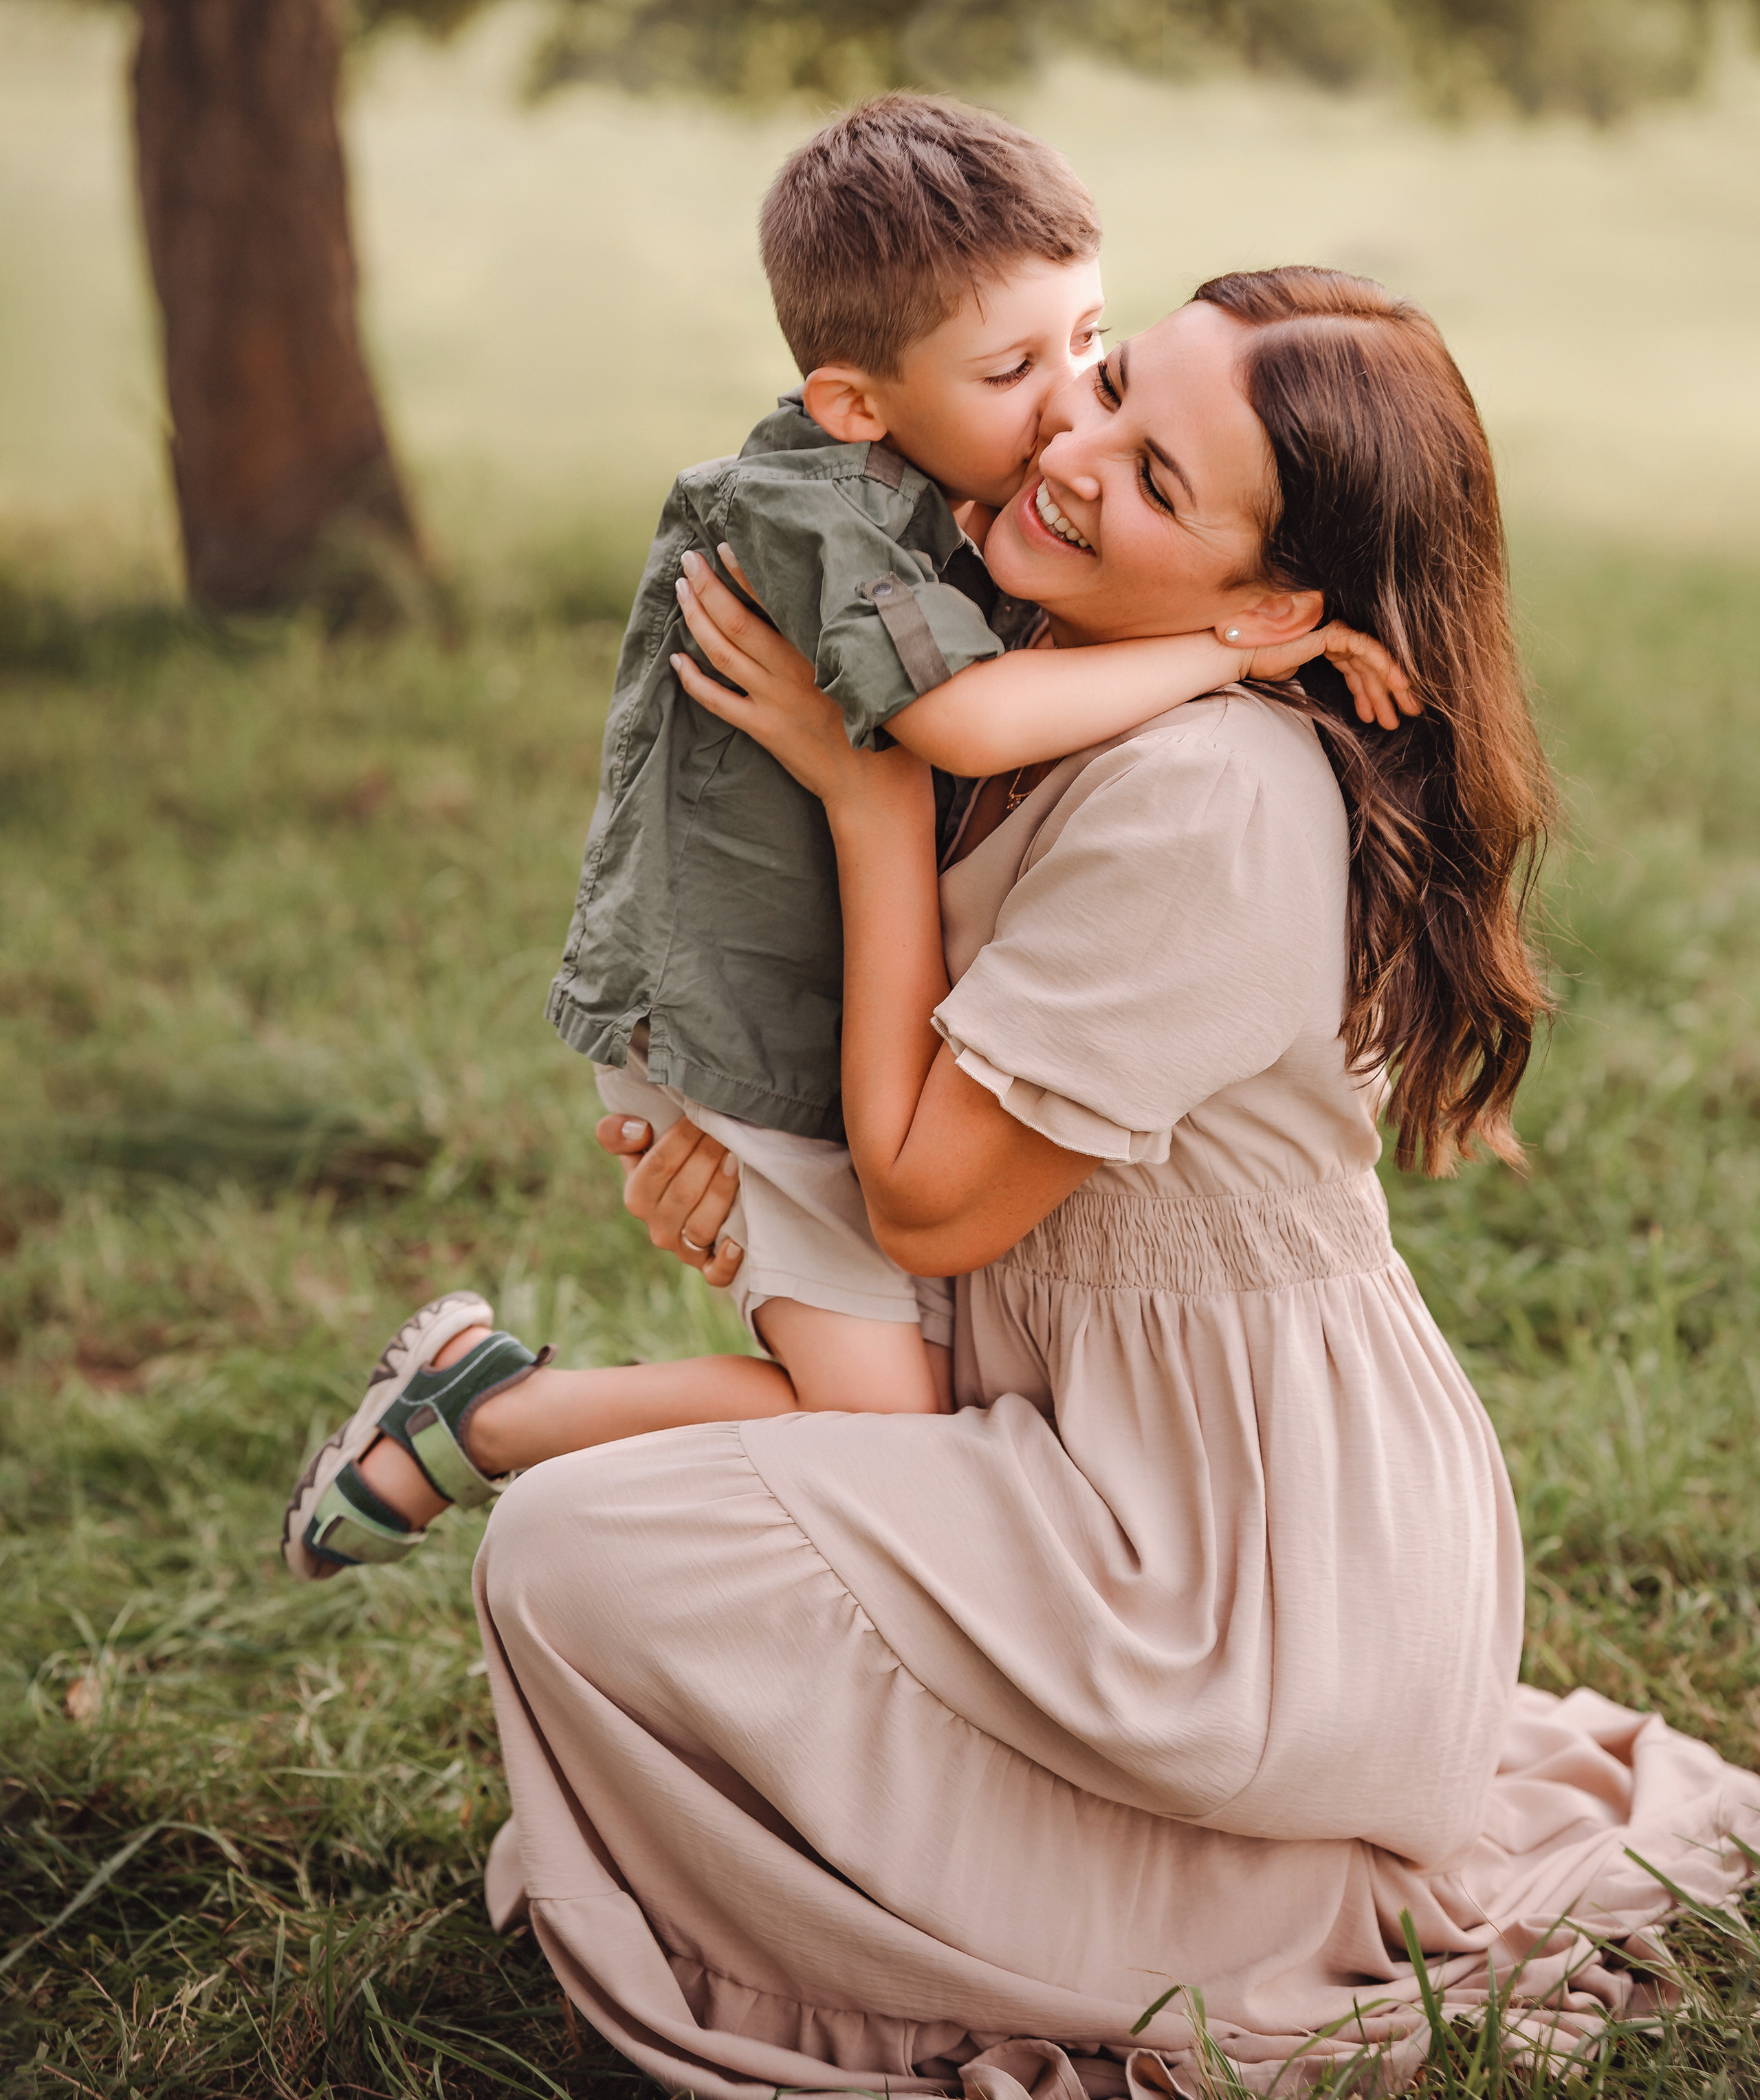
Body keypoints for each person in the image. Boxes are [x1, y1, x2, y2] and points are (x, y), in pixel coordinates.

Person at [462, 269, 1760, 2092]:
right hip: (1054, 1435)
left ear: (1274, 605)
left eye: (1157, 479)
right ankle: (1096, 1866)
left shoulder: (1209, 799)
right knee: (605, 1567)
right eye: (1112, 388)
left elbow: (923, 1202)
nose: (1072, 451)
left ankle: (1226, 1904)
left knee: (578, 1554)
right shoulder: (1029, 667)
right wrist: (744, 1204)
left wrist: (859, 799)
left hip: (1226, 1553)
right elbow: (897, 1137)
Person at [283, 113, 1407, 1584]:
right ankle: (492, 1417)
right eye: (1034, 376)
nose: (1064, 415)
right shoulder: (822, 520)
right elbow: (961, 726)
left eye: (1087, 343)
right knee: (883, 1426)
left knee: (893, 1417)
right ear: (853, 402)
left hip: (824, 1033)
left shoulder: (1029, 586)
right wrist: (1219, 644)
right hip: (745, 1010)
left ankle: (486, 1411)